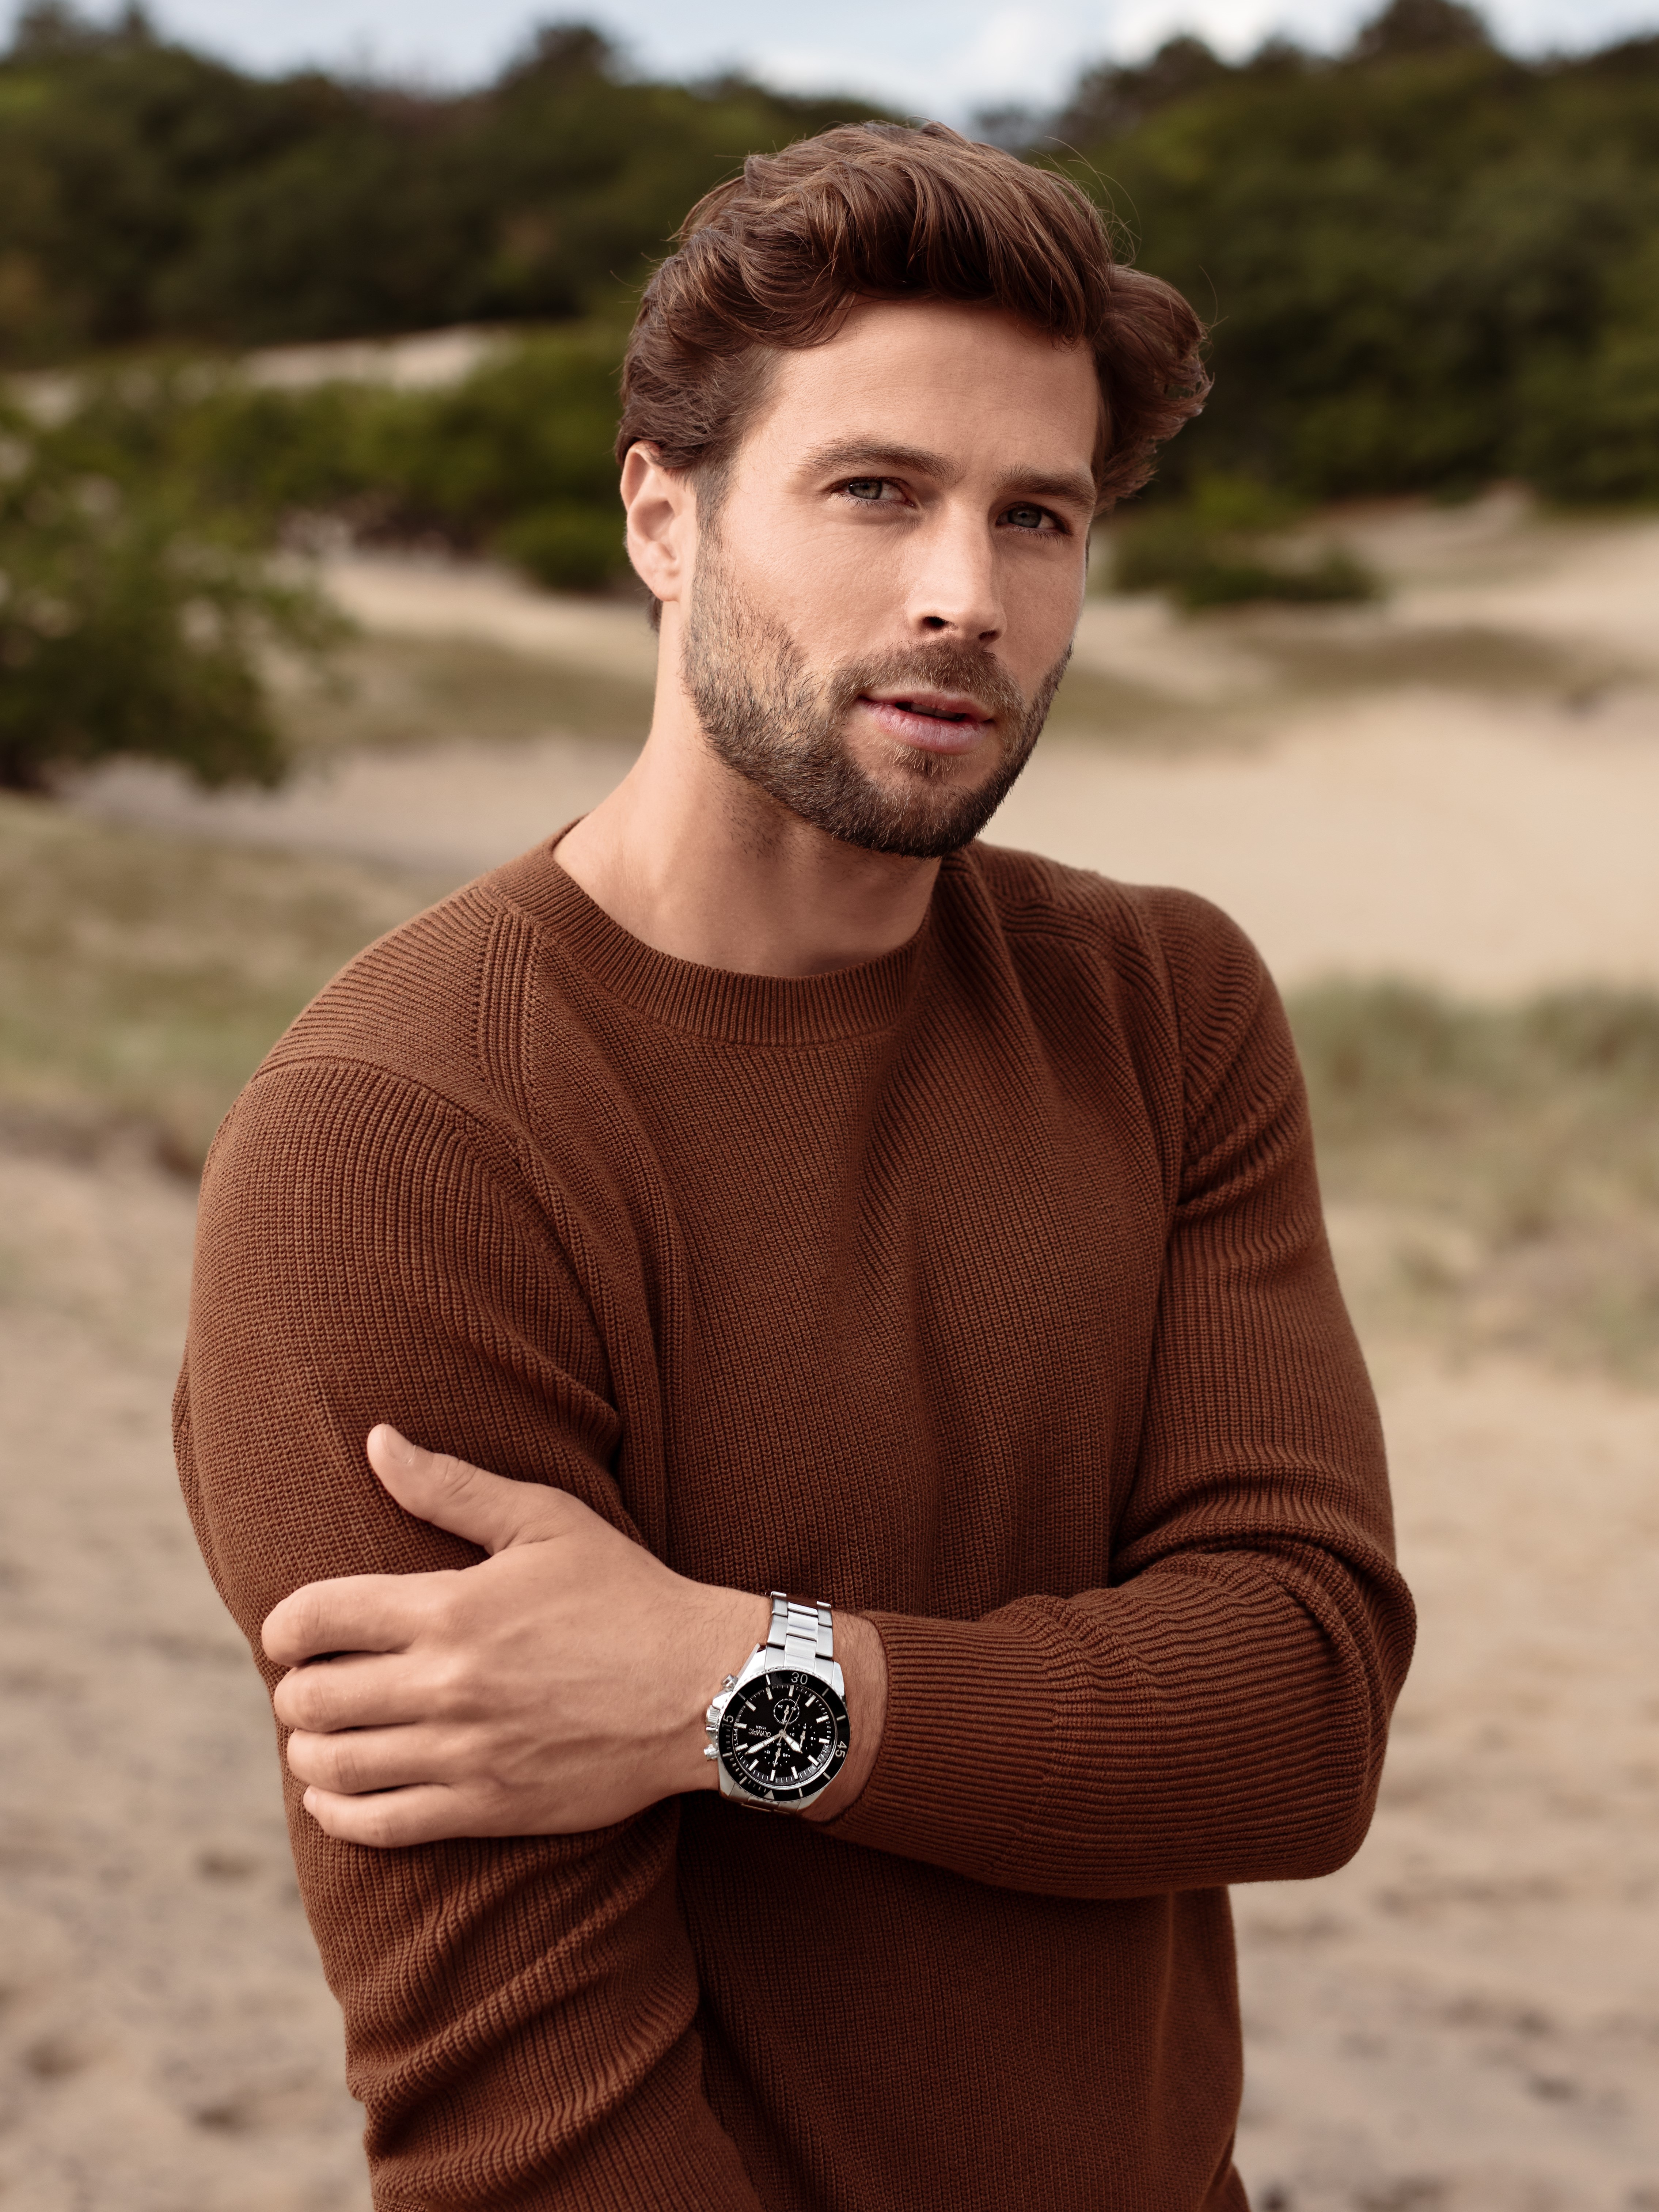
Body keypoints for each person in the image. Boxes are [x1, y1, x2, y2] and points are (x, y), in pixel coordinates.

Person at [176, 121, 1415, 2211]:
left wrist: (738, 1688)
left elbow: (1297, 1720)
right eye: (875, 491)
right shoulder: (396, 1145)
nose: (967, 596)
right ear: (662, 518)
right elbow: (534, 2126)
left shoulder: (1163, 1006)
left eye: (1039, 516)